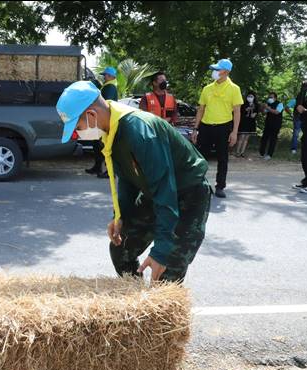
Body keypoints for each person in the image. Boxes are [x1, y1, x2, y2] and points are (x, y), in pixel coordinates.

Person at [56, 81, 211, 282]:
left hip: (188, 193)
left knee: (166, 273)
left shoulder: (139, 132)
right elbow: (127, 178)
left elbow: (166, 190)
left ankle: (159, 303)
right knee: (121, 249)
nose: (78, 134)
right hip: (155, 192)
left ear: (92, 115)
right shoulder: (110, 129)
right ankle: (135, 300)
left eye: (78, 127)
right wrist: (120, 216)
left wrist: (161, 251)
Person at [191, 58, 242, 199]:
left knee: (222, 158)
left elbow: (237, 111)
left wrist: (234, 132)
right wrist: (196, 128)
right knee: (201, 158)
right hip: (206, 126)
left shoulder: (234, 89)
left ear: (225, 72)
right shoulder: (207, 89)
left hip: (224, 127)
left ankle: (220, 186)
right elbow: (201, 109)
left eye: (217, 69)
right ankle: (198, 185)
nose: (214, 72)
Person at [86, 66, 119, 179]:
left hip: (105, 119)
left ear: (110, 76)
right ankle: (98, 166)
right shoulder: (108, 86)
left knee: (104, 145)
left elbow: (106, 102)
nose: (104, 77)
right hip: (103, 118)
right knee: (97, 143)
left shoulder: (110, 87)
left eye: (105, 75)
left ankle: (110, 171)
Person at [259, 92, 284, 160]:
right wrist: (262, 107)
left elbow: (277, 112)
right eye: (269, 97)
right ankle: (262, 153)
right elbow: (264, 112)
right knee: (264, 138)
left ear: (275, 98)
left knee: (273, 139)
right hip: (268, 123)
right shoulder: (268, 104)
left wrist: (267, 108)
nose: (269, 99)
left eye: (271, 97)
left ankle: (270, 154)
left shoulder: (280, 104)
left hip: (276, 124)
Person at [236, 91, 259, 158]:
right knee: (241, 137)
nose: (250, 98)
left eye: (251, 97)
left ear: (254, 98)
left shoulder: (256, 105)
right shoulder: (243, 104)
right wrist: (246, 109)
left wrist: (254, 114)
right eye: (249, 96)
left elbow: (256, 113)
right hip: (244, 122)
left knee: (246, 138)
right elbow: (241, 112)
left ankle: (242, 152)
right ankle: (237, 151)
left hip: (251, 123)